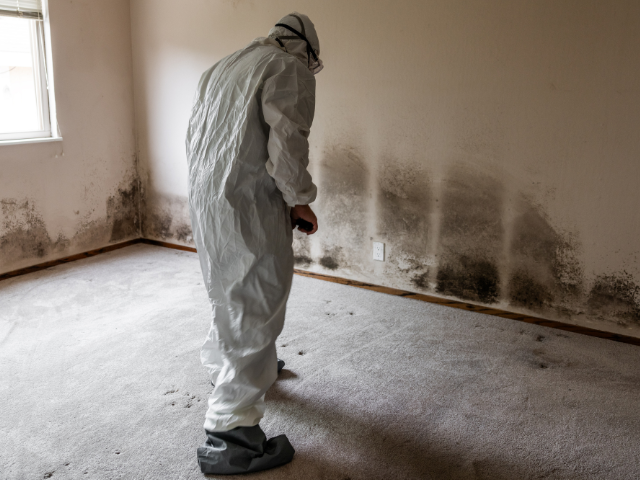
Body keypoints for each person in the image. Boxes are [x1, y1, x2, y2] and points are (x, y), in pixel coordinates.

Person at [185, 12, 323, 475]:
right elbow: (288, 142)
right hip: (248, 200)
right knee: (260, 296)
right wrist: (299, 201)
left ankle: (232, 363)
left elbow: (198, 136)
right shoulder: (288, 68)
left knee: (228, 287)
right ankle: (231, 433)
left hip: (209, 196)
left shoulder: (224, 66)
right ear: (306, 49)